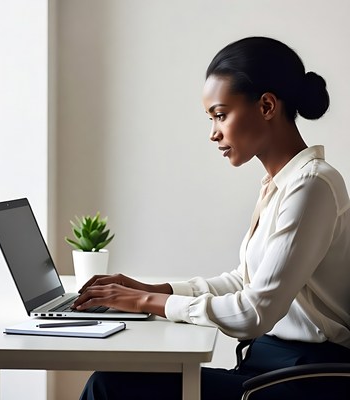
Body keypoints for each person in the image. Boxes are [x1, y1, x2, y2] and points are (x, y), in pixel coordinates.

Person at [73, 36, 350, 400]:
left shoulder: (311, 185)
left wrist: (144, 304)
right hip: (270, 367)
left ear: (267, 105)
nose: (213, 132)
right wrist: (155, 291)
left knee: (110, 385)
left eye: (221, 115)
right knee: (119, 380)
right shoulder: (280, 184)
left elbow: (253, 313)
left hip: (302, 381)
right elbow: (244, 281)